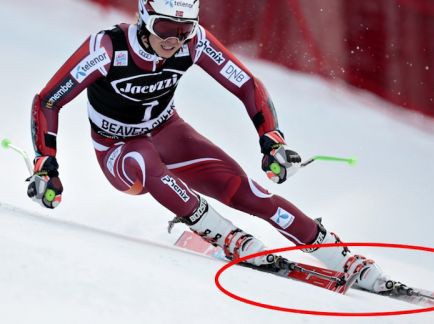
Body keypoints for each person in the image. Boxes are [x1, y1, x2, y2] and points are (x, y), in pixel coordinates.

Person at [28, 0, 390, 292]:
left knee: (249, 192)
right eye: (166, 29)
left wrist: (272, 138)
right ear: (144, 17)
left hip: (169, 131)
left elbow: (247, 85)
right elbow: (48, 101)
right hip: (119, 150)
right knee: (144, 158)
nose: (174, 41)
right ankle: (222, 233)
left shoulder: (195, 42)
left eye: (183, 30)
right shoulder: (107, 48)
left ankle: (334, 252)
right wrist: (46, 163)